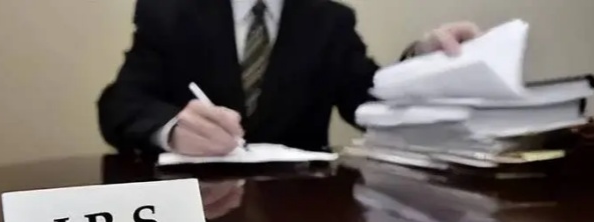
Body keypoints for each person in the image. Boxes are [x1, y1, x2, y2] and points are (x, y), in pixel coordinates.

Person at [98, 0, 480, 155]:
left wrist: (424, 60)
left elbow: (369, 99)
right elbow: (121, 104)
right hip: (199, 209)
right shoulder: (168, 11)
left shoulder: (330, 19)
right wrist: (171, 129)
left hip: (302, 211)